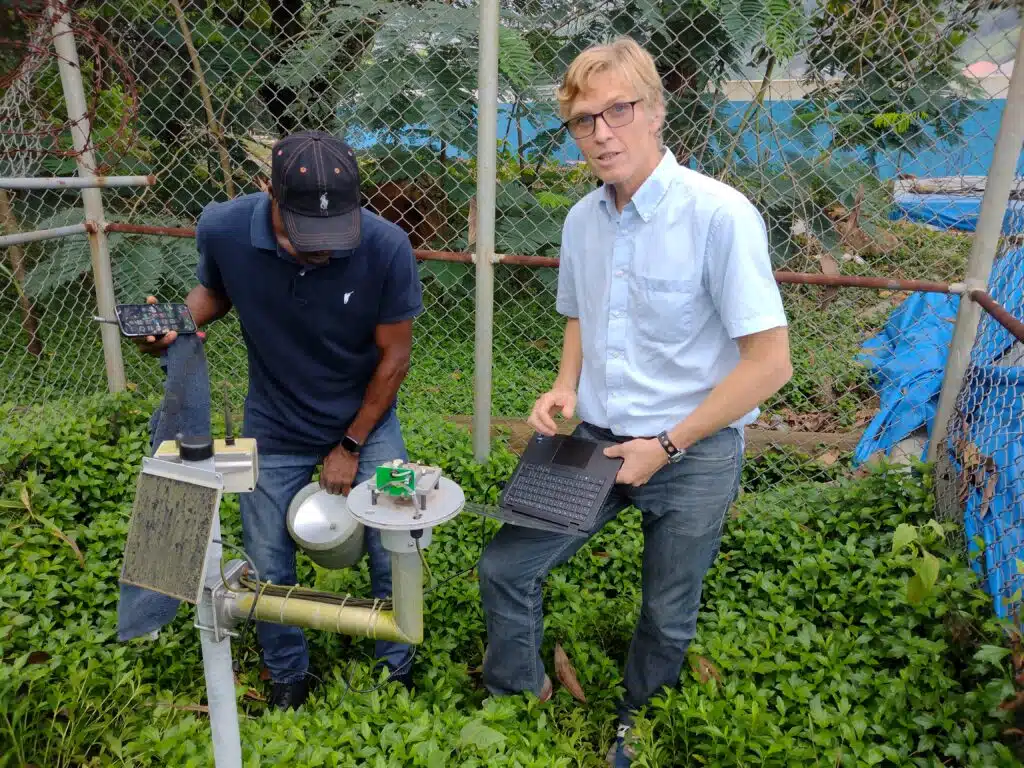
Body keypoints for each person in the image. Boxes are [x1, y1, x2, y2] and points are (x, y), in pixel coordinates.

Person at [476, 37, 793, 766]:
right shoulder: (583, 219)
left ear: (655, 112)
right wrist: (565, 383)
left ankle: (636, 724)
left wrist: (668, 446)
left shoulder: (719, 216)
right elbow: (581, 312)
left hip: (694, 452)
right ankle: (516, 701)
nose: (601, 133)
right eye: (584, 120)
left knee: (666, 610)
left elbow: (770, 363)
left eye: (618, 111)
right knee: (506, 567)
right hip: (594, 436)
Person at [134, 130, 424, 710]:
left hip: (367, 419)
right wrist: (174, 325)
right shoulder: (223, 229)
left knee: (398, 538)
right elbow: (214, 293)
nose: (321, 251)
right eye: (304, 236)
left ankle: (398, 661)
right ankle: (288, 671)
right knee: (268, 555)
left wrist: (351, 443)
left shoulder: (386, 246)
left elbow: (394, 358)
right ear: (267, 193)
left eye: (333, 235)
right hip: (275, 423)